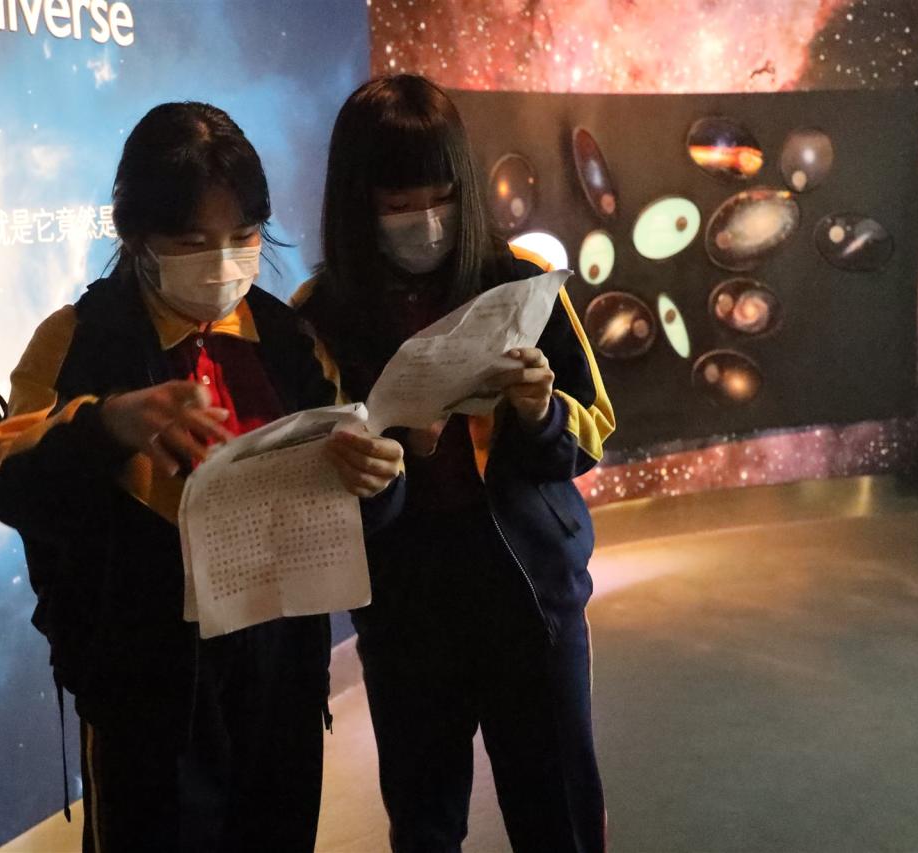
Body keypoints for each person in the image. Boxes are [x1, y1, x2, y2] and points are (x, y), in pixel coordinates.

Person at [0, 101, 405, 853]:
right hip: (147, 690)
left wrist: (379, 481)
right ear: (135, 236)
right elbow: (5, 475)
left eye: (244, 237)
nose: (222, 262)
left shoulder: (288, 338)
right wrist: (109, 423)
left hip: (280, 676)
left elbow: (348, 491)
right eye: (190, 242)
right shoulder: (80, 338)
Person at [292, 74, 616, 853]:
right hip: (406, 608)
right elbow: (314, 486)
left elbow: (594, 428)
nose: (426, 221)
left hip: (528, 591)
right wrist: (394, 456)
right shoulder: (318, 315)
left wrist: (538, 410)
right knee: (425, 820)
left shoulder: (519, 281)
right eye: (399, 203)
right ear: (357, 201)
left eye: (441, 196)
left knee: (559, 811)